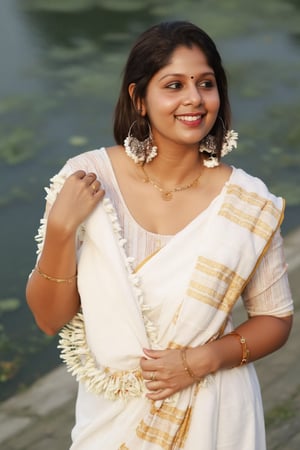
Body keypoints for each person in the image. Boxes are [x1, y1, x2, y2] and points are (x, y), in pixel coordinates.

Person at [26, 21, 293, 450]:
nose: (194, 99)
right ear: (139, 99)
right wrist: (61, 230)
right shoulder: (88, 180)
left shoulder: (247, 202)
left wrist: (203, 359)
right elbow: (48, 319)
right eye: (174, 85)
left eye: (206, 84)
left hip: (215, 410)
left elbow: (275, 320)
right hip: (110, 414)